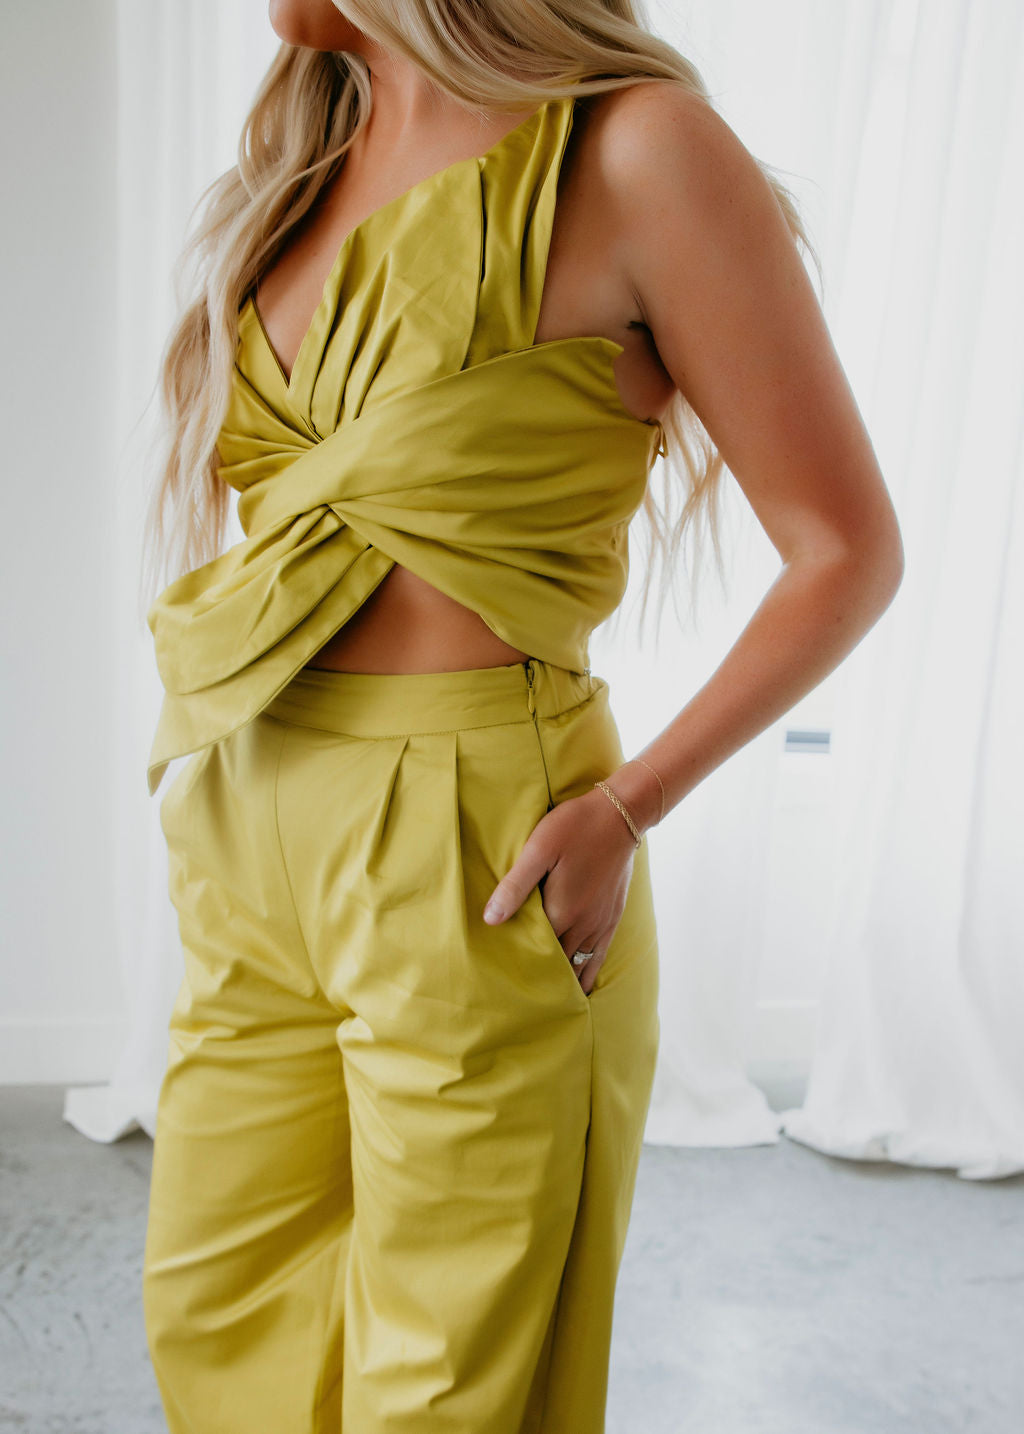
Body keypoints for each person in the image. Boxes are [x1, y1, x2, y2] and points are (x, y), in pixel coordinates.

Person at [139, 2, 904, 1431]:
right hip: (251, 808)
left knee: (447, 1385)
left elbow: (846, 549)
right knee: (218, 1326)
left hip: (478, 831)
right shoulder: (311, 158)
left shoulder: (636, 151)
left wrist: (627, 807)